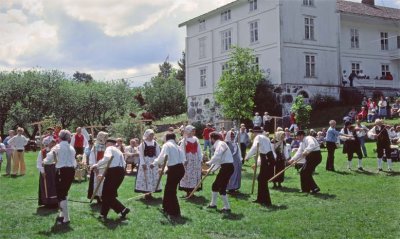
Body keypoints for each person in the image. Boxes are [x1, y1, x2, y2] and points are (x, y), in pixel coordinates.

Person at [91, 137, 130, 221]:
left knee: (106, 195)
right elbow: (122, 164)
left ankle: (122, 209)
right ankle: (105, 214)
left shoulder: (109, 148)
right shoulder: (118, 151)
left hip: (114, 172)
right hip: (120, 172)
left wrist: (96, 165)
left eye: (106, 144)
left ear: (108, 143)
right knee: (109, 195)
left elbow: (107, 158)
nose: (105, 146)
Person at [43, 130, 76, 225]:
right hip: (71, 171)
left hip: (62, 171)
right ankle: (62, 213)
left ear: (60, 138)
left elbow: (49, 158)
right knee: (64, 192)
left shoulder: (57, 147)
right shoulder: (71, 147)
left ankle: (66, 218)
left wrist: (44, 161)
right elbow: (73, 161)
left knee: (61, 194)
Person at [151, 133, 185, 218]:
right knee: (168, 189)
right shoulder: (177, 146)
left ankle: (174, 212)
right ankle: (166, 207)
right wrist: (167, 169)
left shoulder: (167, 145)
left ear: (167, 138)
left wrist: (154, 163)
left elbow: (162, 157)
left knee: (171, 191)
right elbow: (181, 159)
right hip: (180, 169)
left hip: (175, 169)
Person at [245, 126, 274, 207]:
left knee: (263, 180)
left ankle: (267, 201)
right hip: (268, 159)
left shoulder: (258, 137)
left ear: (255, 132)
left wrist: (247, 157)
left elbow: (254, 148)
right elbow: (262, 153)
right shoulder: (265, 138)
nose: (253, 134)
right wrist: (257, 163)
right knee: (260, 179)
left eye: (253, 133)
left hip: (267, 160)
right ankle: (260, 199)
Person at [205, 132, 234, 212]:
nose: (210, 140)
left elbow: (217, 156)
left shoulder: (220, 144)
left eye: (210, 138)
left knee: (217, 186)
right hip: (227, 167)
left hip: (227, 168)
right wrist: (210, 170)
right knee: (218, 187)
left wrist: (209, 162)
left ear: (213, 138)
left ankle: (222, 206)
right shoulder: (220, 144)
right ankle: (215, 205)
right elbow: (218, 161)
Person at [135, 129, 161, 199]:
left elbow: (158, 153)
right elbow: (141, 155)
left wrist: (157, 162)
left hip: (153, 162)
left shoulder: (155, 143)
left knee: (153, 177)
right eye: (150, 135)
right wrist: (143, 164)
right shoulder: (143, 144)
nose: (151, 136)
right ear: (147, 135)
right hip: (145, 162)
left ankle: (151, 192)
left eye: (152, 135)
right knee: (146, 177)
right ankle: (146, 193)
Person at [179, 125, 203, 197]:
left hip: (195, 159)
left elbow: (199, 150)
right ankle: (188, 191)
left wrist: (200, 158)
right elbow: (181, 151)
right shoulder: (184, 140)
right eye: (192, 131)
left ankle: (193, 190)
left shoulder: (196, 139)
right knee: (188, 174)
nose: (194, 132)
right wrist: (184, 160)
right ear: (188, 131)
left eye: (194, 131)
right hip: (188, 160)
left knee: (195, 174)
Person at [37, 136, 58, 208]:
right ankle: (47, 201)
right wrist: (42, 171)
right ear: (47, 143)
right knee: (46, 185)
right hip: (45, 170)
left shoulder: (55, 151)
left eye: (53, 143)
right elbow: (39, 163)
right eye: (51, 143)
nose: (53, 144)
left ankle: (55, 201)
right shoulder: (42, 152)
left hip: (54, 170)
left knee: (54, 185)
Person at [88, 131, 108, 203]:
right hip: (97, 167)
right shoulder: (95, 147)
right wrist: (94, 166)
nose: (106, 139)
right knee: (96, 182)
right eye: (104, 137)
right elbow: (92, 157)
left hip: (105, 167)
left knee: (104, 183)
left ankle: (104, 197)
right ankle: (98, 198)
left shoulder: (106, 147)